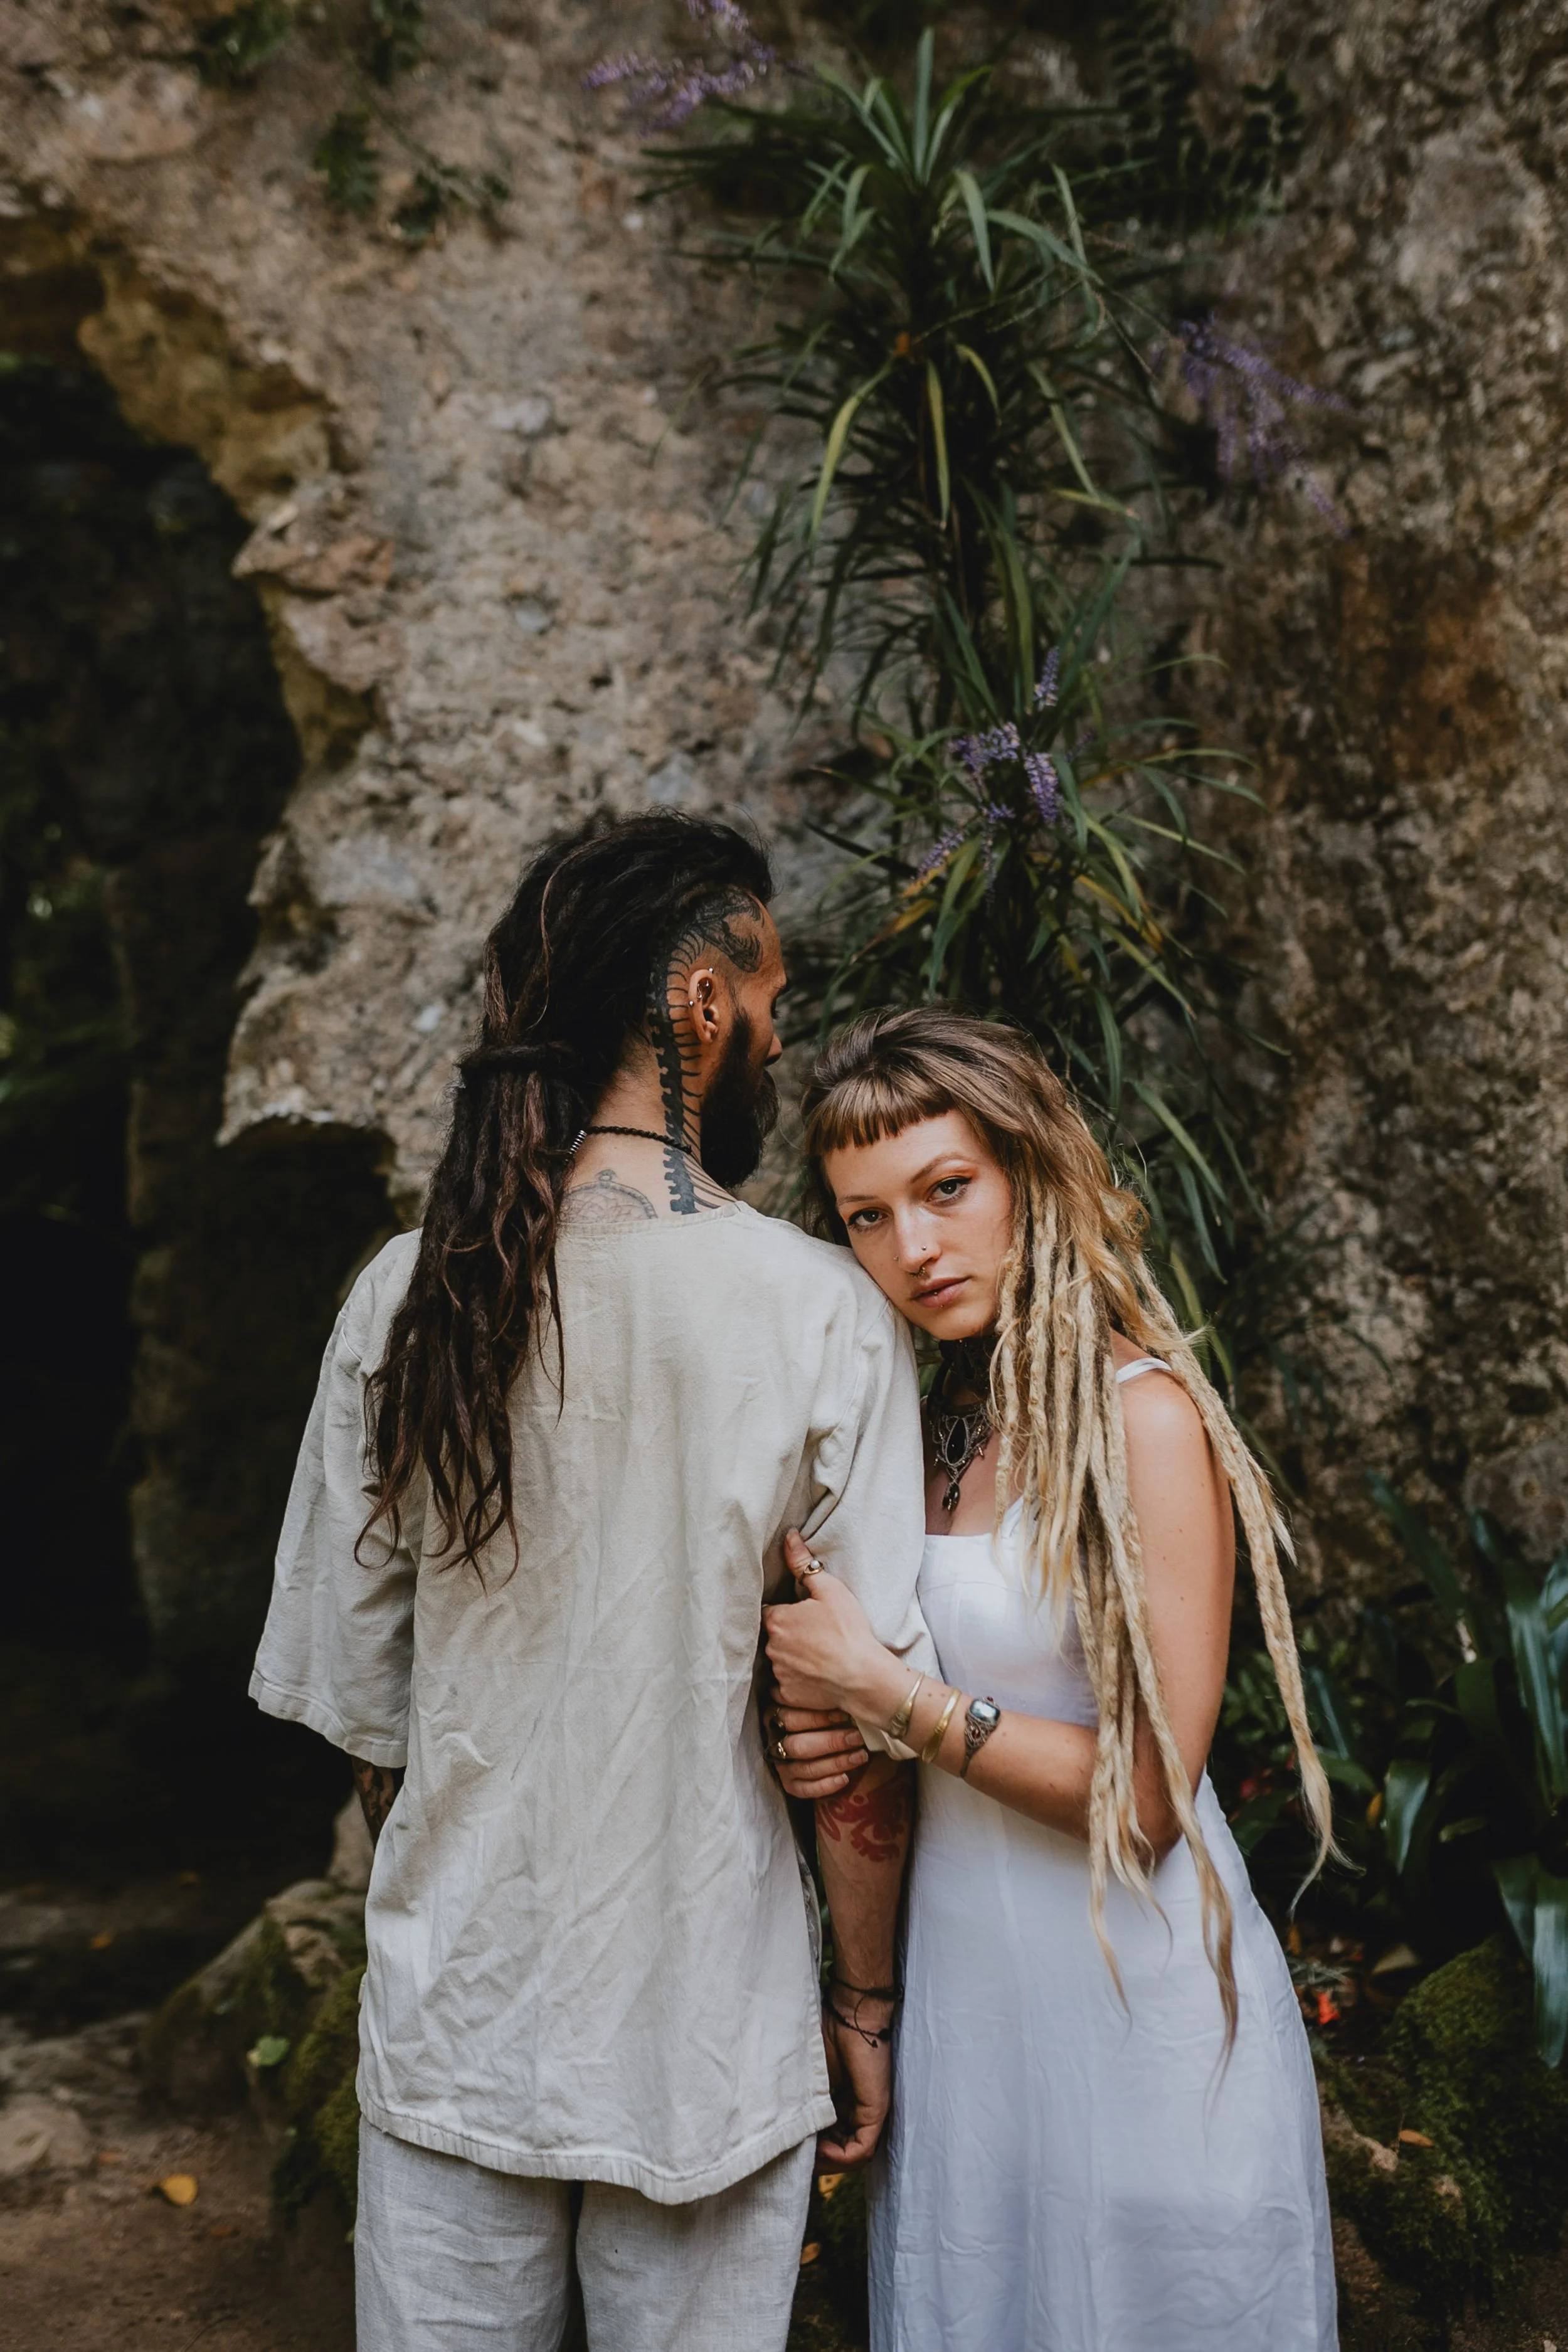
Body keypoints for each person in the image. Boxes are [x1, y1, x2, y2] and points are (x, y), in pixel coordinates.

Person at [250, 812, 935, 2352]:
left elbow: (372, 1725)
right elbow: (851, 1747)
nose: (776, 1031)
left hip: (461, 2022)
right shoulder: (821, 1313)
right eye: (768, 998)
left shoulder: (408, 1291)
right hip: (707, 2030)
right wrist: (861, 2010)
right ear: (703, 1006)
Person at [766, 1006, 1339, 2352]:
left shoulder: (1137, 1417)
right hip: (968, 2016)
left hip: (1134, 2019)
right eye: (864, 1217)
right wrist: (830, 1727)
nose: (910, 1248)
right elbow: (878, 1690)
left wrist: (887, 1697)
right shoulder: (918, 1428)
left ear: (1029, 1169)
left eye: (944, 1190)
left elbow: (1143, 1803)